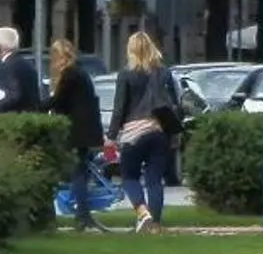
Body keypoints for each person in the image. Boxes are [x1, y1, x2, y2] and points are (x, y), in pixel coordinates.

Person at [111, 31, 180, 233]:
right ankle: (155, 224)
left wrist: (111, 135)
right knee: (154, 180)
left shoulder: (126, 74)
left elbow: (119, 108)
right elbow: (173, 104)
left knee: (129, 176)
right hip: (159, 130)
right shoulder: (163, 72)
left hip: (134, 132)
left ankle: (143, 212)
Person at [48, 40, 106, 232]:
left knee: (77, 173)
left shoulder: (70, 74)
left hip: (77, 131)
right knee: (80, 172)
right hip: (86, 130)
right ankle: (83, 214)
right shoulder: (79, 72)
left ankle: (82, 216)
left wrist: (37, 107)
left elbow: (58, 101)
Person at [0, 26, 42, 114]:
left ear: (0, 47)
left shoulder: (7, 66)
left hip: (13, 118)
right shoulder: (28, 65)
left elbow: (14, 95)